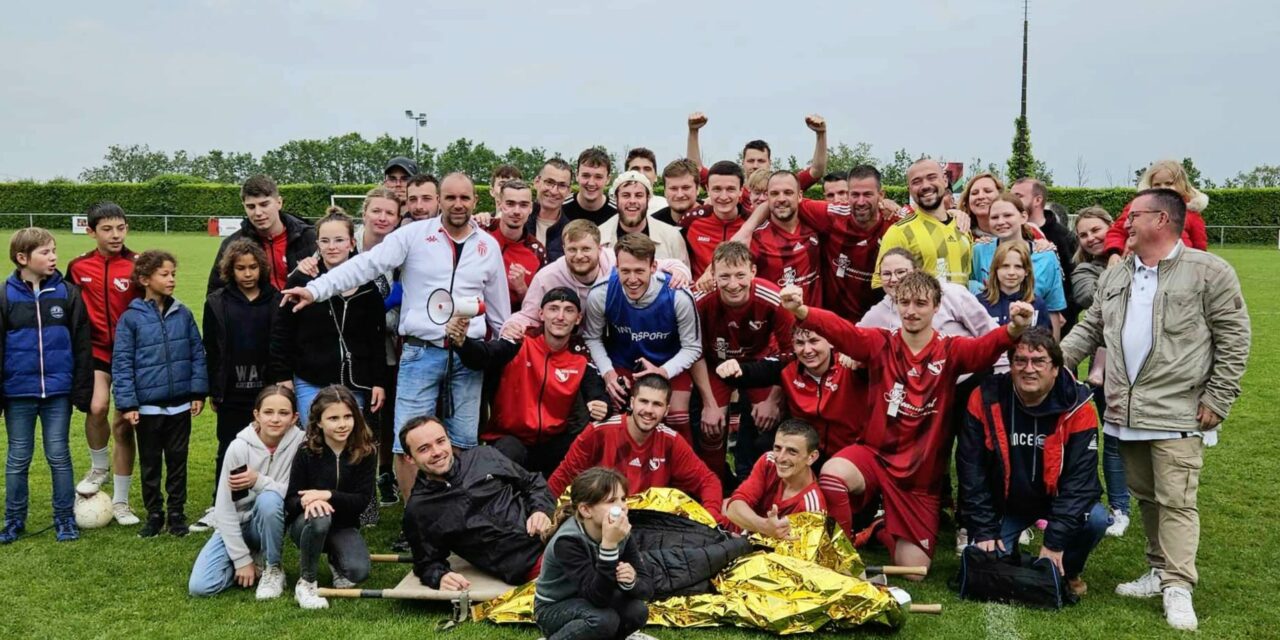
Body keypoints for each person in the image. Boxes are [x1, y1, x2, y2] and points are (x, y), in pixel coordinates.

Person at [1060, 188, 1251, 631]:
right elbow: (1091, 328)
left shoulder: (1210, 272)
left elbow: (1235, 339)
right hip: (1125, 412)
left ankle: (1179, 585)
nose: (1124, 222)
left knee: (1178, 501)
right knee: (1147, 498)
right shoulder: (1118, 272)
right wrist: (1051, 364)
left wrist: (1219, 397)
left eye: (1134, 214)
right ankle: (1157, 569)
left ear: (1162, 220)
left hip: (1179, 411)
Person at [281, 172, 511, 507]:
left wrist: (498, 348)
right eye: (450, 198)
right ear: (440, 201)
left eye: (464, 198)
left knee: (461, 441)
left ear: (476, 201)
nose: (458, 204)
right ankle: (414, 518)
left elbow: (499, 311)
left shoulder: (487, 246)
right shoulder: (413, 236)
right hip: (420, 352)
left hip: (466, 356)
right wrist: (316, 289)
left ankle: (456, 515)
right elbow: (365, 265)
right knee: (407, 443)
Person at [780, 273, 1033, 575]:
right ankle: (841, 554)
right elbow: (842, 332)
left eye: (920, 303)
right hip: (875, 456)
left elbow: (985, 347)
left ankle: (878, 528)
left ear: (936, 307)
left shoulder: (951, 351)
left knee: (914, 572)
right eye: (904, 302)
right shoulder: (880, 343)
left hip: (919, 478)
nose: (911, 310)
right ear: (896, 305)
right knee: (833, 474)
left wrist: (1016, 327)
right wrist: (801, 311)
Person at [959, 329, 1109, 597]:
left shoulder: (1079, 404)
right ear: (1011, 365)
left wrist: (1055, 540)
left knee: (1096, 519)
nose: (1029, 369)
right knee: (986, 568)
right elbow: (972, 470)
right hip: (1006, 503)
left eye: (1039, 361)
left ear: (1056, 368)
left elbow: (1080, 482)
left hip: (1058, 500)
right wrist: (983, 530)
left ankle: (1068, 570)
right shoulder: (985, 397)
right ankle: (1009, 548)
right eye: (1020, 360)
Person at [0, 228, 92, 544]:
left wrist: (80, 389)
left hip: (57, 393)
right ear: (22, 258)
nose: (53, 257)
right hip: (17, 393)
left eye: (54, 250)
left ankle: (64, 519)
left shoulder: (68, 294)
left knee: (58, 454)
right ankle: (13, 520)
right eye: (45, 252)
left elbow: (82, 345)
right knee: (18, 457)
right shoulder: (5, 295)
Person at [455, 287, 608, 475]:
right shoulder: (518, 343)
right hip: (509, 440)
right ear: (541, 314)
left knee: (583, 444)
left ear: (578, 318)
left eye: (568, 310)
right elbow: (484, 356)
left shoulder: (580, 361)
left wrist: (601, 404)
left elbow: (598, 392)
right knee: (509, 450)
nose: (560, 316)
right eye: (553, 308)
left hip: (552, 445)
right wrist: (463, 342)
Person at [113, 250, 208, 538]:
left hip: (180, 405)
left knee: (178, 460)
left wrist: (198, 392)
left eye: (173, 274)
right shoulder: (131, 319)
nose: (171, 280)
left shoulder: (184, 313)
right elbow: (122, 361)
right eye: (164, 274)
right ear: (144, 279)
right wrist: (128, 403)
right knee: (151, 462)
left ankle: (176, 513)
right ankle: (154, 514)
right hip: (147, 408)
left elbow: (197, 354)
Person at [400, 415, 556, 590]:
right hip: (529, 560)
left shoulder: (483, 456)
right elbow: (426, 562)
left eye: (441, 441)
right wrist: (441, 577)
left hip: (556, 532)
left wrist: (541, 510)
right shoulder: (419, 509)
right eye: (424, 449)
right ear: (409, 458)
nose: (437, 452)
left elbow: (533, 483)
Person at [548, 375, 727, 525]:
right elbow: (563, 476)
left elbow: (708, 481)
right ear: (632, 403)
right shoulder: (598, 432)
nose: (648, 410)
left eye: (657, 404)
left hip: (649, 526)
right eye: (644, 401)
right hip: (601, 523)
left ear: (666, 411)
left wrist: (710, 518)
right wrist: (543, 512)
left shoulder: (671, 441)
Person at [193, 240, 281, 533]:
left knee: (269, 446)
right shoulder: (218, 301)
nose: (247, 274)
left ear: (262, 268)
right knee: (229, 447)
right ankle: (223, 506)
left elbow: (281, 345)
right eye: (240, 268)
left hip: (266, 389)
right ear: (229, 270)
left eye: (253, 267)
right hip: (231, 389)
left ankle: (265, 501)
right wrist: (213, 389)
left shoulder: (275, 299)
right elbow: (212, 348)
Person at [188, 385, 304, 599]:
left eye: (283, 413)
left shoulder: (302, 445)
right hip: (239, 524)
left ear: (295, 418)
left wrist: (258, 481)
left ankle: (273, 568)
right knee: (201, 587)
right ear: (256, 415)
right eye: (268, 412)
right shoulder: (239, 447)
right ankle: (251, 560)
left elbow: (295, 494)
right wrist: (241, 561)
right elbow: (224, 507)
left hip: (274, 521)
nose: (275, 419)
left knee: (268, 500)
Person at [271, 208, 386, 422]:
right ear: (317, 245)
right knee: (313, 440)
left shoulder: (368, 288)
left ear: (352, 243)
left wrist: (378, 381)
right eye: (325, 241)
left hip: (355, 382)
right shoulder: (301, 281)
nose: (332, 247)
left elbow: (376, 339)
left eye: (339, 240)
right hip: (310, 380)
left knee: (351, 444)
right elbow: (282, 331)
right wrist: (283, 376)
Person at [740, 165, 898, 320]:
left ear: (881, 195)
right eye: (855, 194)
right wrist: (746, 230)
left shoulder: (896, 221)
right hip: (811, 325)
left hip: (872, 321)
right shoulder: (756, 239)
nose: (861, 201)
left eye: (868, 194)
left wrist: (892, 206)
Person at [582, 234, 701, 439]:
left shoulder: (678, 296)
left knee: (677, 416)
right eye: (625, 271)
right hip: (623, 364)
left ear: (654, 267)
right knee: (615, 415)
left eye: (639, 271)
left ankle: (677, 467)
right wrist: (608, 373)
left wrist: (663, 371)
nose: (632, 279)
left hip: (668, 363)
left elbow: (693, 347)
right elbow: (592, 337)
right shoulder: (601, 293)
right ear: (615, 267)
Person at [691, 241, 792, 479]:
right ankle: (715, 482)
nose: (733, 284)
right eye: (724, 276)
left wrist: (772, 400)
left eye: (740, 275)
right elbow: (694, 351)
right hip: (715, 365)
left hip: (757, 363)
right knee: (711, 427)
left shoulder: (773, 298)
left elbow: (789, 354)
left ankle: (753, 481)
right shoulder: (700, 300)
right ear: (713, 274)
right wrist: (709, 404)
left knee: (765, 420)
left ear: (753, 272)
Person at [67, 203, 141, 526]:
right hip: (95, 351)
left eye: (120, 228)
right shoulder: (78, 266)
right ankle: (99, 467)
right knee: (96, 408)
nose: (115, 235)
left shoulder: (137, 265)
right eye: (107, 229)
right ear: (91, 230)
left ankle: (122, 502)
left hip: (130, 354)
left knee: (123, 424)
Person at [503, 220, 691, 337]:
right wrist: (511, 326)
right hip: (577, 340)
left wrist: (680, 271)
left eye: (586, 249)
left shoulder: (614, 261)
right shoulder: (547, 277)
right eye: (572, 249)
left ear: (599, 248)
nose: (579, 256)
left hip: (621, 335)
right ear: (563, 249)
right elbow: (528, 315)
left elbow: (665, 264)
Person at [535, 467, 653, 640]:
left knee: (637, 611)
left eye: (623, 499)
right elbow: (597, 597)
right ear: (586, 510)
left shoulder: (620, 532)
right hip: (554, 609)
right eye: (612, 501)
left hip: (592, 601)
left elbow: (647, 589)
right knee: (603, 620)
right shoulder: (568, 541)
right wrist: (609, 546)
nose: (622, 507)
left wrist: (632, 581)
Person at [287, 386, 376, 610]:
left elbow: (362, 501)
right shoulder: (306, 451)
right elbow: (290, 500)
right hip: (307, 524)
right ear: (318, 422)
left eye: (348, 417)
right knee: (320, 514)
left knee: (358, 572)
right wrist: (308, 501)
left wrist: (327, 495)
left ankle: (337, 561)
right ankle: (306, 582)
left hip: (344, 524)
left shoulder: (365, 452)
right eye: (333, 418)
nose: (342, 424)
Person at [716, 327, 864, 460]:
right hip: (805, 454)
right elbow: (753, 372)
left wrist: (860, 357)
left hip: (850, 454)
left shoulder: (849, 365)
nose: (807, 350)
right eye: (800, 343)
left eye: (814, 341)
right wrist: (732, 369)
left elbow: (879, 355)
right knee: (765, 448)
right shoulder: (787, 365)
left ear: (831, 342)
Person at [1070, 207, 1129, 536]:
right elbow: (1094, 301)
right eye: (1083, 234)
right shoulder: (1083, 270)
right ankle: (1119, 507)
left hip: (1146, 368)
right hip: (1107, 369)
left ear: (1113, 228)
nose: (1091, 238)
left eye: (1097, 230)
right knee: (1113, 437)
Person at [686, 112, 828, 211]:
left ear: (769, 163)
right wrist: (693, 131)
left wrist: (821, 133)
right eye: (751, 161)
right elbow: (695, 168)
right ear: (743, 163)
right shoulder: (729, 186)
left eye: (760, 160)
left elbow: (816, 171)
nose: (755, 165)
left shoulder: (784, 185)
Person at [969, 193, 1067, 335]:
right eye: (995, 217)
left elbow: (1053, 309)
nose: (1001, 222)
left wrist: (1053, 354)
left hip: (1030, 339)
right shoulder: (979, 251)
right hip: (991, 339)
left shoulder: (1046, 257)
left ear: (1023, 217)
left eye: (1008, 215)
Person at [207, 174, 317, 296]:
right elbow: (215, 295)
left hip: (301, 311)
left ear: (279, 203)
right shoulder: (232, 244)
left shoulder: (310, 237)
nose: (258, 212)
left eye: (264, 204)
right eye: (251, 207)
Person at [873, 159, 972, 288]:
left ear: (945, 181)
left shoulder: (962, 226)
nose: (925, 185)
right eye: (916, 181)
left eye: (931, 177)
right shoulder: (898, 232)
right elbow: (880, 284)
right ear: (909, 189)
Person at [860, 248, 997, 340]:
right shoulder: (878, 313)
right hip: (916, 381)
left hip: (969, 378)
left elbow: (990, 334)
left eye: (901, 272)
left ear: (916, 271)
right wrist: (849, 356)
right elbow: (853, 338)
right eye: (886, 274)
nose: (894, 279)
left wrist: (999, 372)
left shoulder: (951, 294)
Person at [731, 171, 824, 306]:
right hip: (777, 323)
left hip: (813, 322)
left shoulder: (816, 228)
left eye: (788, 192)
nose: (781, 198)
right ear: (767, 198)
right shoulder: (755, 238)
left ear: (799, 196)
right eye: (774, 194)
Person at [725, 420, 827, 538]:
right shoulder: (769, 461)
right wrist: (764, 526)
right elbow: (733, 507)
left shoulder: (813, 508)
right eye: (778, 448)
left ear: (811, 457)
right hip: (740, 533)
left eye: (792, 451)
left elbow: (796, 554)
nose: (781, 458)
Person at [1103, 160, 1210, 264]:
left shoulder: (1191, 213)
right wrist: (1114, 253)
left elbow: (1199, 247)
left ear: (1182, 185)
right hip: (1140, 267)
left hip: (1178, 268)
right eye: (1157, 184)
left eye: (1169, 183)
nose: (1163, 188)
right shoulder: (1135, 208)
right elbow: (1117, 232)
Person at [599, 171, 690, 265]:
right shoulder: (600, 238)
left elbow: (685, 275)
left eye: (639, 195)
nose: (632, 201)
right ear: (616, 199)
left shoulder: (671, 237)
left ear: (648, 199)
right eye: (626, 195)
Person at [681, 161, 747, 280]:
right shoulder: (691, 220)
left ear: (741, 190)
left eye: (730, 189)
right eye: (717, 189)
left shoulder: (753, 222)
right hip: (701, 293)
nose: (723, 196)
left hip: (740, 292)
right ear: (707, 189)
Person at [487, 178, 547, 308]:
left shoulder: (537, 251)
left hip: (511, 324)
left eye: (523, 205)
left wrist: (521, 288)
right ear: (499, 204)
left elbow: (538, 308)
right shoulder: (481, 231)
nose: (517, 211)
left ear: (531, 208)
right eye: (510, 204)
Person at [977, 242, 1053, 334]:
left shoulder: (1038, 304)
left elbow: (1046, 343)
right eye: (1005, 266)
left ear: (1026, 271)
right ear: (995, 269)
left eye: (1018, 267)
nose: (1011, 272)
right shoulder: (979, 303)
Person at [528, 158, 577, 262]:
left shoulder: (572, 232)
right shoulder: (518, 221)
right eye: (549, 182)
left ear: (569, 191)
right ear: (536, 182)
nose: (554, 191)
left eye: (562, 185)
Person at [562, 148, 618, 227]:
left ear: (608, 179)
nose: (591, 183)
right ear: (577, 175)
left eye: (598, 177)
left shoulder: (617, 213)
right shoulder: (561, 208)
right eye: (586, 176)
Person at [650, 158, 701, 229]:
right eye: (673, 188)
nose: (679, 195)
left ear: (698, 189)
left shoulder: (714, 218)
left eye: (686, 187)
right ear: (665, 191)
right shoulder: (653, 224)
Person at [625, 147, 669, 214]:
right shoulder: (615, 207)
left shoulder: (666, 206)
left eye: (647, 169)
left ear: (655, 177)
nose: (642, 174)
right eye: (635, 169)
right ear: (625, 175)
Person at [958, 172, 1002, 238]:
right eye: (975, 193)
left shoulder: (1016, 233)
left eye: (988, 191)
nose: (981, 196)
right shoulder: (961, 235)